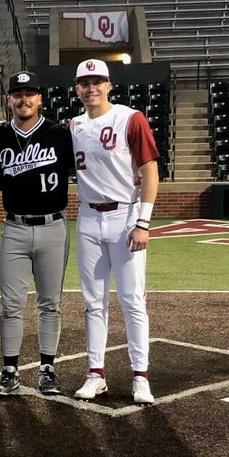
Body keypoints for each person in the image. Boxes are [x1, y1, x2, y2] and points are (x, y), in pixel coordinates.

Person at [69, 58, 160, 406]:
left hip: (125, 215)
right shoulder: (74, 126)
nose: (91, 88)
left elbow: (150, 170)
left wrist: (144, 222)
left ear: (109, 85)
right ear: (77, 89)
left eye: (97, 81)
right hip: (89, 218)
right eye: (84, 82)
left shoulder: (130, 117)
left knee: (132, 300)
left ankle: (140, 376)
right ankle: (96, 374)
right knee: (93, 302)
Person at [0, 71, 75, 395]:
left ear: (40, 99)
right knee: (11, 304)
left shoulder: (61, 135)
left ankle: (47, 368)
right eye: (17, 93)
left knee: (50, 302)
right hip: (15, 228)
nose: (24, 99)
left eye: (30, 93)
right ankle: (9, 369)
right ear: (9, 99)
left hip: (53, 227)